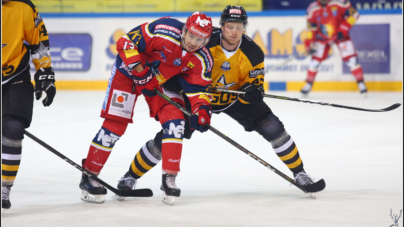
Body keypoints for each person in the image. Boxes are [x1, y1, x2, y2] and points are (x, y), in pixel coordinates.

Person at [116, 5, 322, 205]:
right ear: (221, 26)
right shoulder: (204, 41)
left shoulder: (253, 52)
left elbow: (256, 84)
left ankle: (300, 174)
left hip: (233, 99)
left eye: (239, 27)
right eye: (230, 26)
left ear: (245, 28)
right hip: (198, 97)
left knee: (273, 127)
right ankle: (129, 177)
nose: (234, 31)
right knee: (170, 135)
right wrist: (174, 83)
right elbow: (181, 66)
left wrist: (254, 91)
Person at [79, 12, 214, 204]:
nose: (193, 42)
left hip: (158, 85)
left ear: (206, 40)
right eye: (191, 35)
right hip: (127, 75)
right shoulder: (163, 30)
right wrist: (140, 72)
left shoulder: (202, 58)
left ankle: (169, 178)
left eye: (199, 39)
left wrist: (202, 110)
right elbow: (125, 43)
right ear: (184, 30)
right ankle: (89, 175)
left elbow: (199, 90)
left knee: (176, 122)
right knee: (114, 128)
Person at [2, 0, 56, 213]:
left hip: (15, 75)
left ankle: (4, 188)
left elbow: (38, 41)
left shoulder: (23, 7)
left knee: (13, 129)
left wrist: (44, 73)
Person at [301, 0, 367, 96]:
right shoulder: (312, 8)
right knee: (314, 62)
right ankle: (308, 84)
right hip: (322, 38)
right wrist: (309, 44)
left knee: (352, 60)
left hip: (341, 35)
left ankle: (361, 83)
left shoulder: (340, 2)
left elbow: (355, 15)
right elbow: (311, 28)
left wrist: (343, 28)